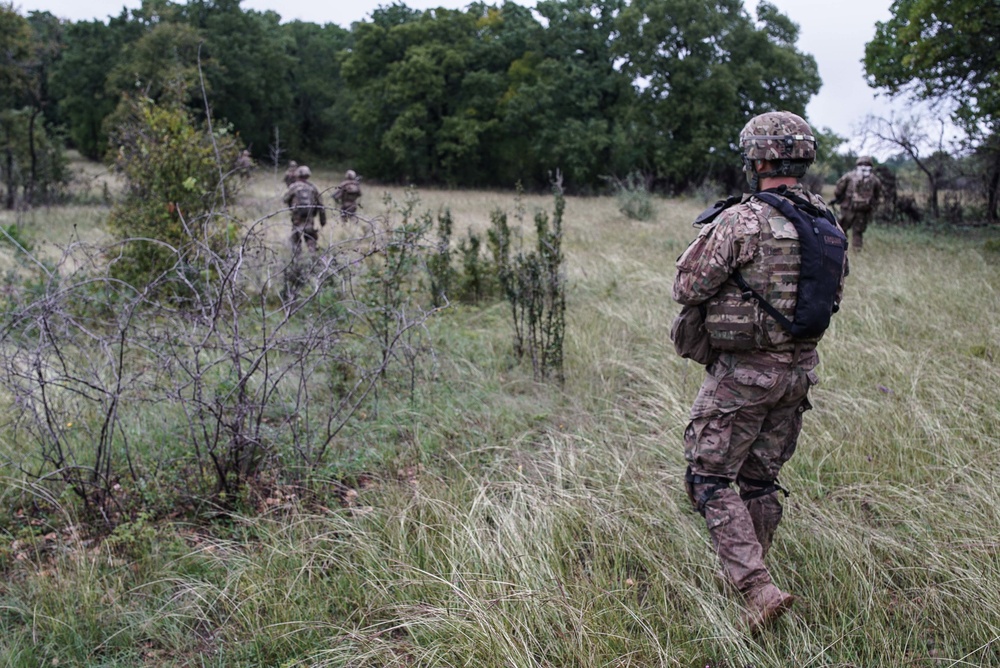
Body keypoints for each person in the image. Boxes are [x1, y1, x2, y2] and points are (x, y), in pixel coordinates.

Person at [672, 111, 848, 633]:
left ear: (758, 157)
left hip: (743, 376)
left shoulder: (742, 220)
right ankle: (754, 579)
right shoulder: (828, 225)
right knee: (759, 480)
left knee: (707, 477)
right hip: (797, 375)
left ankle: (755, 587)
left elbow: (687, 287)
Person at [833, 156, 882, 250]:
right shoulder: (875, 179)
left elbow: (838, 190)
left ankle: (841, 250)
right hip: (863, 211)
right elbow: (877, 195)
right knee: (857, 233)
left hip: (847, 209)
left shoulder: (849, 176)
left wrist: (839, 198)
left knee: (841, 230)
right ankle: (857, 250)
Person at [281, 165, 326, 254]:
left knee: (296, 240)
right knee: (311, 239)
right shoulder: (313, 188)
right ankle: (313, 257)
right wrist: (323, 221)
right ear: (308, 175)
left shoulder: (294, 187)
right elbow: (321, 205)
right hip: (309, 219)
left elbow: (285, 199)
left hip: (297, 219)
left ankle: (297, 261)